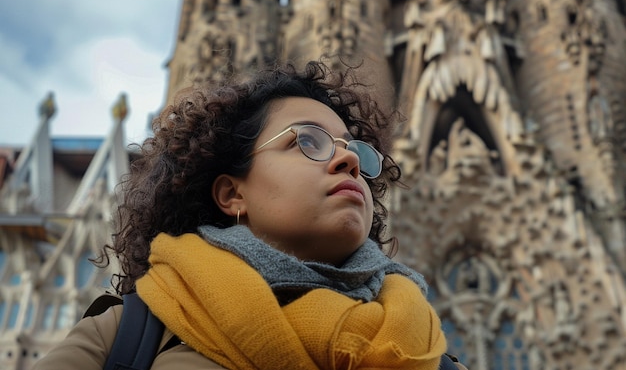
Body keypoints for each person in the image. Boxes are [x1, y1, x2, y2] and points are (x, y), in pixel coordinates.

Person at [33, 61, 457, 370]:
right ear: (232, 193)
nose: (347, 161)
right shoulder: (130, 335)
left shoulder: (428, 351)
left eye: (356, 151)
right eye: (308, 141)